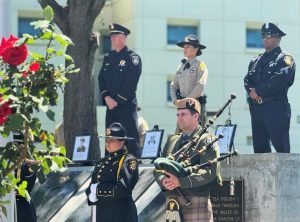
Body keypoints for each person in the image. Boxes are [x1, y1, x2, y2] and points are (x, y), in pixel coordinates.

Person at [154, 98, 221, 222]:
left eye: (183, 114)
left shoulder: (206, 140)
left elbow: (209, 173)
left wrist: (180, 182)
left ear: (196, 116)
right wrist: (163, 181)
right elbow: (158, 168)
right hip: (173, 203)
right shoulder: (172, 140)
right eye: (178, 115)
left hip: (196, 202)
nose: (179, 118)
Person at [244, 22, 295, 153]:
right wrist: (252, 92)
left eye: (269, 35)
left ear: (278, 38)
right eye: (263, 35)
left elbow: (279, 80)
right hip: (257, 109)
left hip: (275, 108)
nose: (265, 38)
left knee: (281, 150)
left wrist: (258, 91)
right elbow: (247, 79)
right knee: (260, 151)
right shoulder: (255, 61)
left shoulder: (285, 59)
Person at [98, 23, 142, 157]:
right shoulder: (108, 57)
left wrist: (116, 100)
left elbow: (131, 82)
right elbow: (101, 79)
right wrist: (106, 98)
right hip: (110, 107)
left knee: (130, 141)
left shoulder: (132, 58)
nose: (112, 38)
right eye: (111, 35)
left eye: (115, 35)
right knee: (110, 140)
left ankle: (135, 170)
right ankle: (109, 169)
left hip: (125, 106)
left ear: (124, 38)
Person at [85, 122, 139, 222]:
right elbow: (91, 186)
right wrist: (90, 193)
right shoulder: (102, 162)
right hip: (101, 215)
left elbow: (123, 188)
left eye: (111, 140)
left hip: (120, 216)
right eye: (106, 139)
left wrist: (97, 190)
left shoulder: (128, 160)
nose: (107, 142)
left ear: (122, 141)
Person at [170, 34, 208, 128]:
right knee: (180, 137)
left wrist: (186, 101)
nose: (184, 49)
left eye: (188, 46)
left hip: (195, 108)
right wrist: (175, 101)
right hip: (182, 108)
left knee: (196, 138)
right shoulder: (181, 67)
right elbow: (173, 85)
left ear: (196, 49)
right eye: (184, 47)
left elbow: (200, 85)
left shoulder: (200, 65)